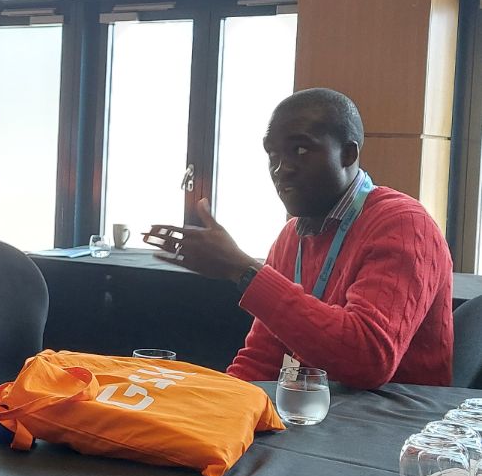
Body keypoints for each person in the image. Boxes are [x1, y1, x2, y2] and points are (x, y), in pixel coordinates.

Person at [145, 87, 453, 390]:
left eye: (301, 150)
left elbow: (368, 360)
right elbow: (262, 359)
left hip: (392, 415)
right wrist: (220, 406)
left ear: (348, 154)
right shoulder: (291, 237)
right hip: (316, 408)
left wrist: (245, 271)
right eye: (273, 154)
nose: (282, 169)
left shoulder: (403, 223)